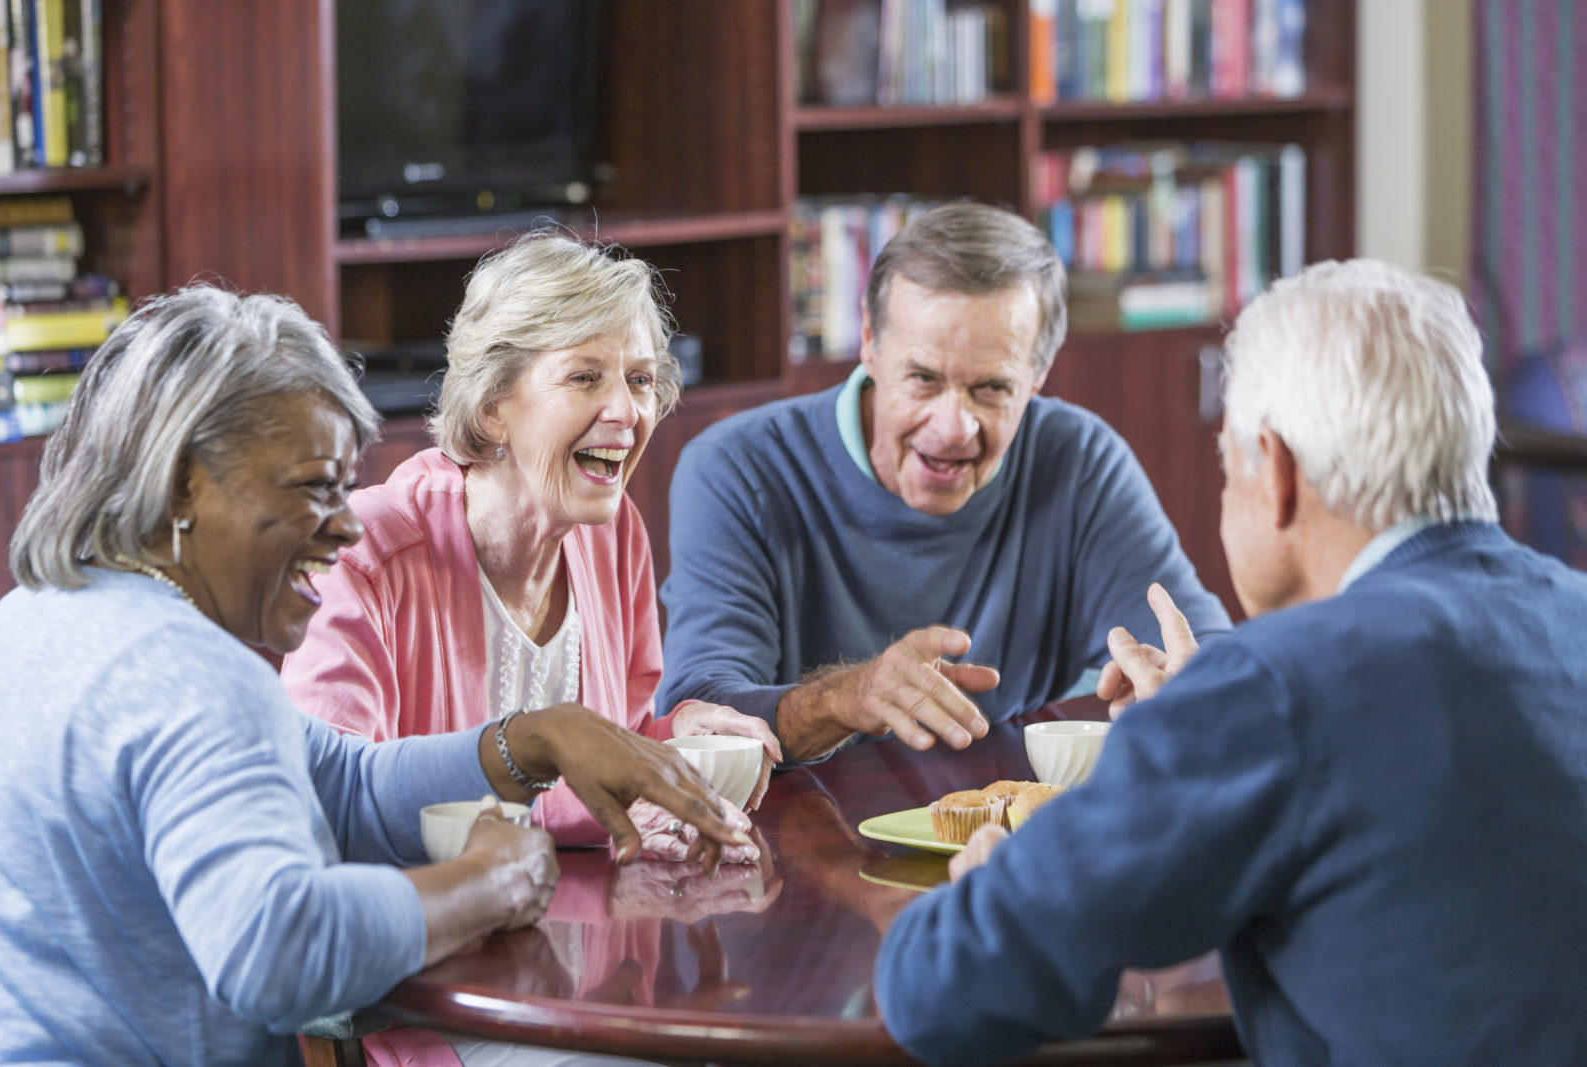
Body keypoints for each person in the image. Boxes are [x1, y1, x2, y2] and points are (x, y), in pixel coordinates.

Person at [0, 287, 747, 1067]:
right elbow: (276, 948)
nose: (348, 522)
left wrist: (530, 740)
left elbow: (341, 783)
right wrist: (484, 887)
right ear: (186, 482)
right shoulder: (193, 674)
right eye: (317, 485)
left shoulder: (28, 623)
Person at [873, 259, 1587, 1065]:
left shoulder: (1274, 684)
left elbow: (943, 992)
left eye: (1225, 464)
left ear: (1274, 471)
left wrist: (997, 875)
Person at [657, 201, 1231, 762]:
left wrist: (1176, 683)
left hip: (1013, 836)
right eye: (924, 378)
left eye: (991, 389)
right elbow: (701, 711)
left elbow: (1210, 655)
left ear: (1038, 376)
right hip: (797, 841)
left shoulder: (1079, 458)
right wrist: (849, 697)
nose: (954, 429)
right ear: (869, 344)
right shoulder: (738, 467)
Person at [282, 233, 781, 859]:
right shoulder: (363, 555)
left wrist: (666, 741)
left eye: (640, 380)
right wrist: (620, 797)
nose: (626, 411)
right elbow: (333, 807)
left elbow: (611, 740)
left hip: (573, 932)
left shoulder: (614, 531)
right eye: (584, 376)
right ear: (493, 405)